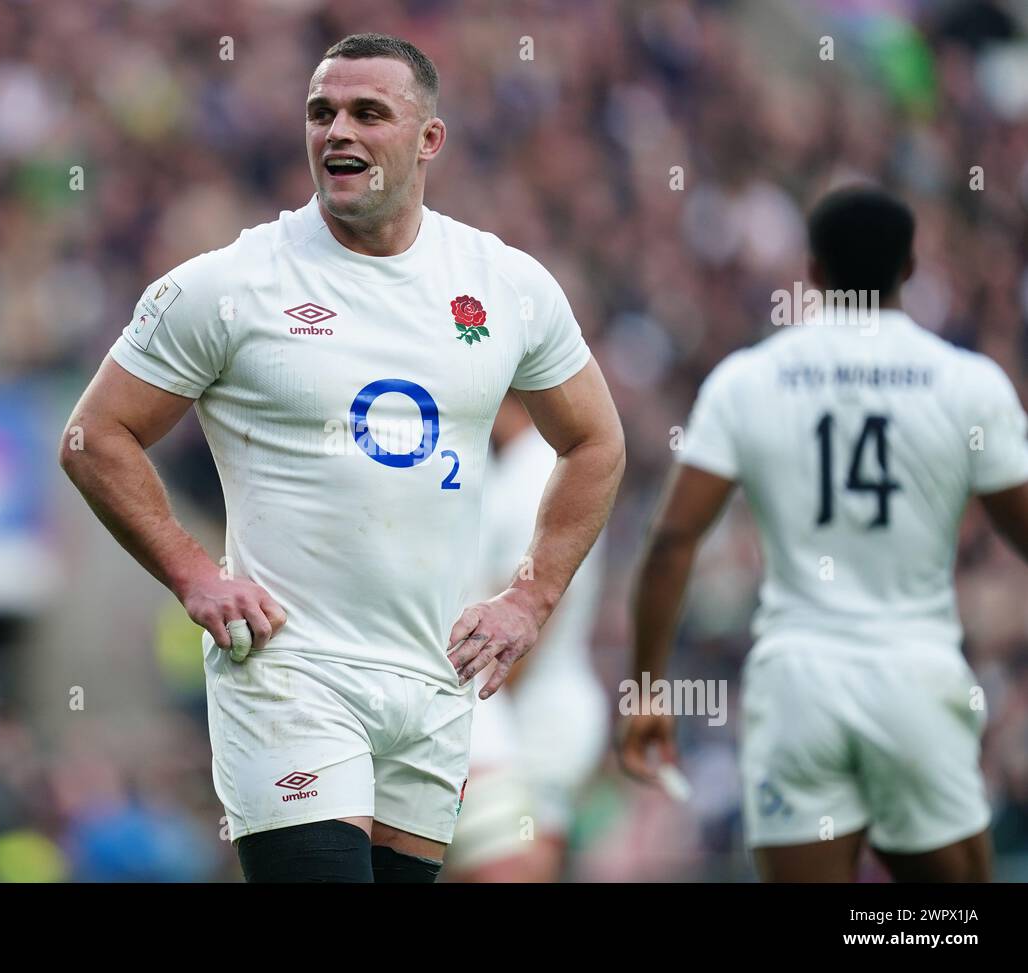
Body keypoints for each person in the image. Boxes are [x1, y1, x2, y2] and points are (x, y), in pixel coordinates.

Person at [59, 33, 625, 883]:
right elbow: (92, 436)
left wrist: (530, 598)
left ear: (429, 140)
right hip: (293, 676)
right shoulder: (231, 284)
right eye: (322, 113)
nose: (338, 132)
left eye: (368, 113)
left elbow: (596, 441)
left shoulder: (503, 283)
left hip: (435, 685)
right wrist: (193, 573)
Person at [620, 184, 1028, 882]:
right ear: (909, 268)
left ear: (812, 271)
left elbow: (671, 541)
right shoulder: (968, 384)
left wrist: (648, 689)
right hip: (917, 676)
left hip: (797, 682)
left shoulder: (749, 380)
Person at [448, 393, 608, 882]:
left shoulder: (532, 472)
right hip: (537, 703)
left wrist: (489, 708)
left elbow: (537, 605)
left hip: (534, 707)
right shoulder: (523, 467)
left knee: (514, 862)